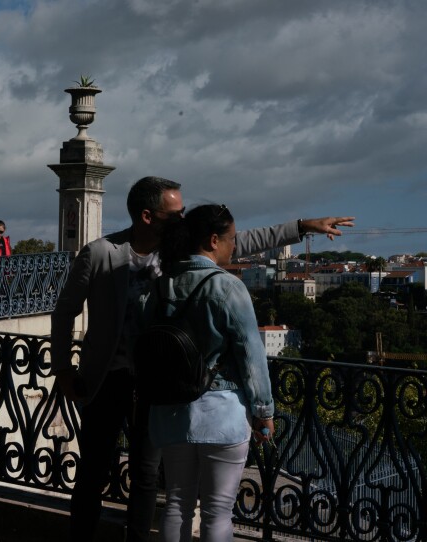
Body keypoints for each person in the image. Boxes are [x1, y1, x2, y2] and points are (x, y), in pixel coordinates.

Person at [49, 176, 355, 542]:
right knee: (93, 473)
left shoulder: (176, 253)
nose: (183, 219)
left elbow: (236, 242)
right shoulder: (101, 253)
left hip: (158, 382)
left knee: (147, 475)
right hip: (106, 379)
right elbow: (64, 311)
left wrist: (303, 227)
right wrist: (63, 368)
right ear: (147, 216)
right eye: (174, 213)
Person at [142, 204, 274, 542]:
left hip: (170, 410)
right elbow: (251, 355)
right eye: (232, 239)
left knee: (176, 504)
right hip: (221, 412)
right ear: (213, 241)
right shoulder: (227, 287)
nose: (234, 246)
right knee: (218, 512)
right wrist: (264, 412)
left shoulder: (160, 285)